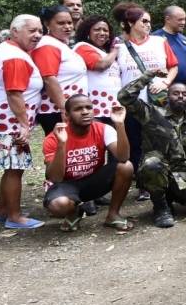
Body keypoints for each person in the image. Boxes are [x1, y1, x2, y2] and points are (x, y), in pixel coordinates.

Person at [119, 68, 186, 227]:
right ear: (167, 95)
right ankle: (160, 206)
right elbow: (124, 97)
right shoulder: (151, 113)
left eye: (184, 94)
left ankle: (174, 195)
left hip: (179, 175)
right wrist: (148, 76)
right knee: (152, 163)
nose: (180, 96)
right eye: (175, 93)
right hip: (155, 170)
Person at [43, 95, 135, 232]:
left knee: (126, 166)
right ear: (67, 115)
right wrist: (62, 144)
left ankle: (113, 215)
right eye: (78, 109)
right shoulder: (53, 138)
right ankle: (74, 212)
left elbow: (123, 157)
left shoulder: (103, 129)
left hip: (93, 180)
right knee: (59, 205)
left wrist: (120, 124)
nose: (85, 111)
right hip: (66, 185)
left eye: (88, 107)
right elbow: (55, 178)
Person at [0, 14, 46, 229]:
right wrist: (24, 124)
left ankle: (2, 212)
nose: (37, 35)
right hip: (10, 121)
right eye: (32, 31)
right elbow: (14, 93)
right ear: (15, 31)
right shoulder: (15, 57)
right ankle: (14, 216)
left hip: (8, 119)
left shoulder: (13, 52)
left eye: (40, 31)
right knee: (14, 167)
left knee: (13, 167)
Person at [115, 4, 177, 201]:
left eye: (150, 21)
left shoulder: (160, 41)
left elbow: (173, 66)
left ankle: (162, 180)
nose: (149, 25)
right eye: (144, 21)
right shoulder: (119, 46)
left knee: (157, 142)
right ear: (131, 23)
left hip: (157, 102)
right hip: (132, 103)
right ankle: (142, 185)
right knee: (134, 143)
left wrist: (166, 82)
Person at [33, 5, 89, 134]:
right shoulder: (47, 45)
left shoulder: (60, 44)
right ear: (47, 24)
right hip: (57, 110)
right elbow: (48, 78)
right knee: (63, 149)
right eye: (61, 23)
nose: (67, 26)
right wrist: (64, 108)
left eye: (69, 22)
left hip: (70, 108)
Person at [72, 15, 122, 123]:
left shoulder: (104, 52)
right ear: (87, 32)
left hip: (112, 107)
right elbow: (101, 65)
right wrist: (115, 50)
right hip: (95, 109)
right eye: (97, 29)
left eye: (105, 30)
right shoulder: (82, 46)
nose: (102, 33)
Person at [153, 6, 186, 109]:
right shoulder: (155, 39)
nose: (183, 22)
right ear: (168, 19)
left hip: (184, 91)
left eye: (184, 19)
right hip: (164, 91)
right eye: (180, 19)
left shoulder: (185, 40)